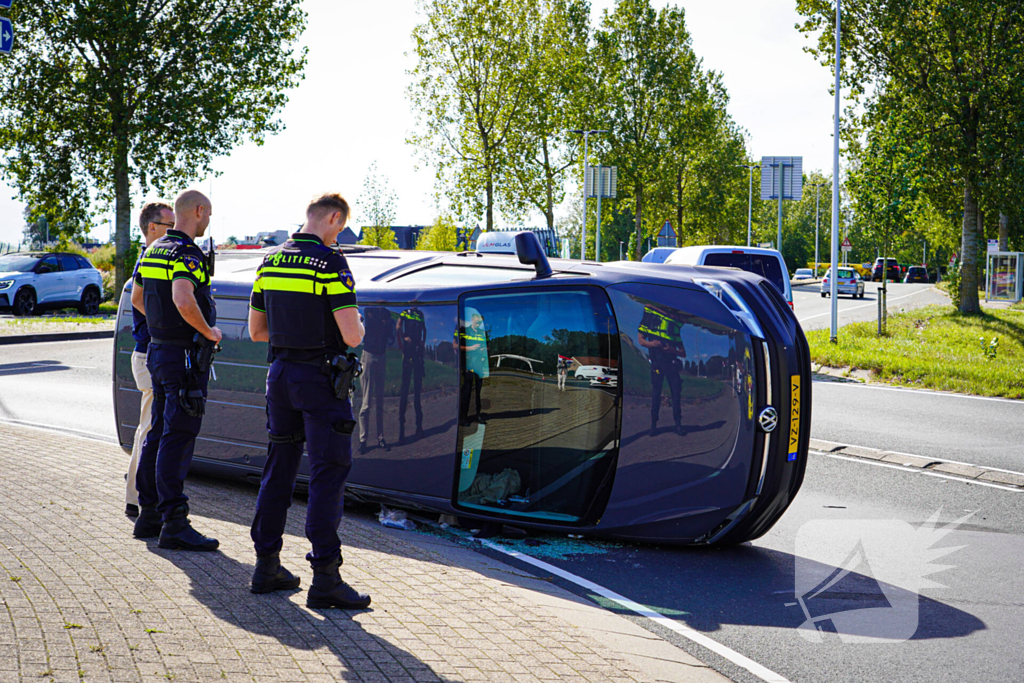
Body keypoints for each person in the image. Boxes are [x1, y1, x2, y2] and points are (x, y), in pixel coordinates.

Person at [247, 192, 370, 609]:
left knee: (278, 468)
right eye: (341, 227)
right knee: (326, 475)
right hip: (320, 380)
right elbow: (352, 335)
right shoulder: (331, 263)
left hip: (279, 376)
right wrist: (359, 329)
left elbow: (256, 331)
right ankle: (325, 579)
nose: (340, 235)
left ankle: (266, 566)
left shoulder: (270, 261)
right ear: (334, 218)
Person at [132, 190, 221, 550]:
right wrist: (208, 331)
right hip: (183, 357)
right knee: (178, 435)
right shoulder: (187, 253)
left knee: (159, 431)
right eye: (209, 214)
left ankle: (149, 513)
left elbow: (138, 299)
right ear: (198, 211)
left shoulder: (153, 250)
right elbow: (183, 299)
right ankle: (174, 522)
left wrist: (160, 329)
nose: (209, 221)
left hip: (158, 351)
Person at [124, 201, 174, 518]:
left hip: (147, 353)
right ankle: (139, 499)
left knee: (147, 427)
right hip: (149, 354)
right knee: (150, 428)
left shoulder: (153, 257)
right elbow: (138, 298)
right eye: (169, 224)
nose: (175, 230)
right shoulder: (150, 258)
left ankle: (135, 494)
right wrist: (167, 322)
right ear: (151, 228)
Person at [637, 304, 686, 436]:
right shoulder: (650, 324)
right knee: (656, 395)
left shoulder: (672, 330)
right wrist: (652, 344)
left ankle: (678, 424)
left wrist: (671, 349)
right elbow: (641, 340)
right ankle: (653, 425)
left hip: (671, 365)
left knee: (676, 395)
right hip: (657, 364)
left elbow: (683, 352)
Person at [357, 307, 394, 453]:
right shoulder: (369, 309)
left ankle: (381, 437)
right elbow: (371, 325)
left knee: (380, 401)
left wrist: (383, 323)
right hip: (369, 354)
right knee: (366, 402)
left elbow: (388, 330)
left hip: (381, 354)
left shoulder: (385, 311)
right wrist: (382, 322)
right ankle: (362, 440)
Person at [397, 307, 426, 443]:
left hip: (418, 353)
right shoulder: (404, 312)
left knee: (417, 392)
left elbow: (424, 330)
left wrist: (422, 342)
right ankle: (401, 428)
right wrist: (404, 337)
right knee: (405, 391)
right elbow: (398, 326)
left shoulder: (420, 314)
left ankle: (419, 426)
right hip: (408, 352)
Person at [457, 309, 488, 426]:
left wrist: (482, 351)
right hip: (467, 365)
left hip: (479, 365)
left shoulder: (482, 333)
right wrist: (472, 348)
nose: (478, 324)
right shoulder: (464, 331)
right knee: (467, 391)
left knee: (479, 392)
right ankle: (463, 417)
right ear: (472, 320)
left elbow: (486, 347)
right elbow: (455, 346)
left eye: (480, 322)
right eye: (476, 322)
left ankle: (478, 415)